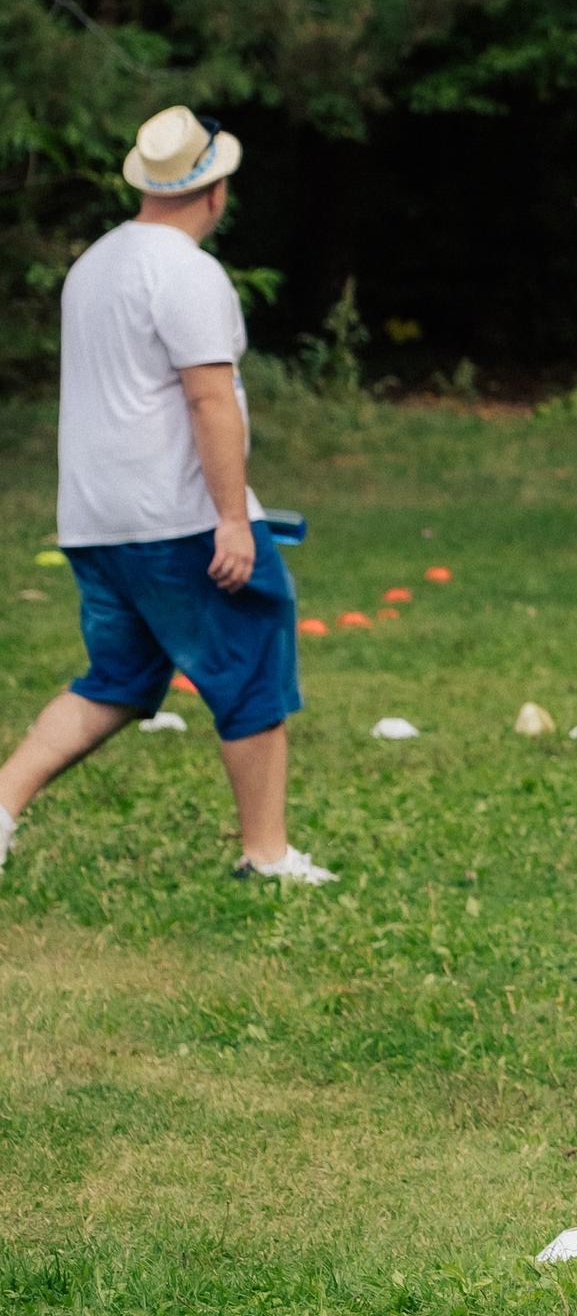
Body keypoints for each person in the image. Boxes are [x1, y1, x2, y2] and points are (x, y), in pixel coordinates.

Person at [0, 107, 334, 886]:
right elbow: (209, 402)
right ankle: (266, 855)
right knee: (251, 658)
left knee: (116, 680)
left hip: (94, 520)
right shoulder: (187, 272)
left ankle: (2, 805)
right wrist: (230, 519)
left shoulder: (95, 264)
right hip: (177, 518)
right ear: (213, 189)